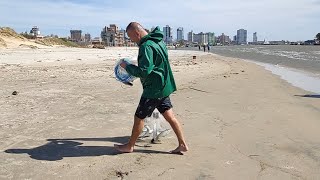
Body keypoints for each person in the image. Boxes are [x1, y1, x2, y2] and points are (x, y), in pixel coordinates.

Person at [114, 22, 189, 154]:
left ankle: (130, 146)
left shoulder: (146, 46)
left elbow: (144, 71)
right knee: (170, 116)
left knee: (139, 117)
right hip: (164, 85)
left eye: (131, 37)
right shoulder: (159, 42)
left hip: (153, 90)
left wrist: (128, 67)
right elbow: (155, 64)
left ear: (137, 33)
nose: (132, 40)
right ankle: (182, 144)